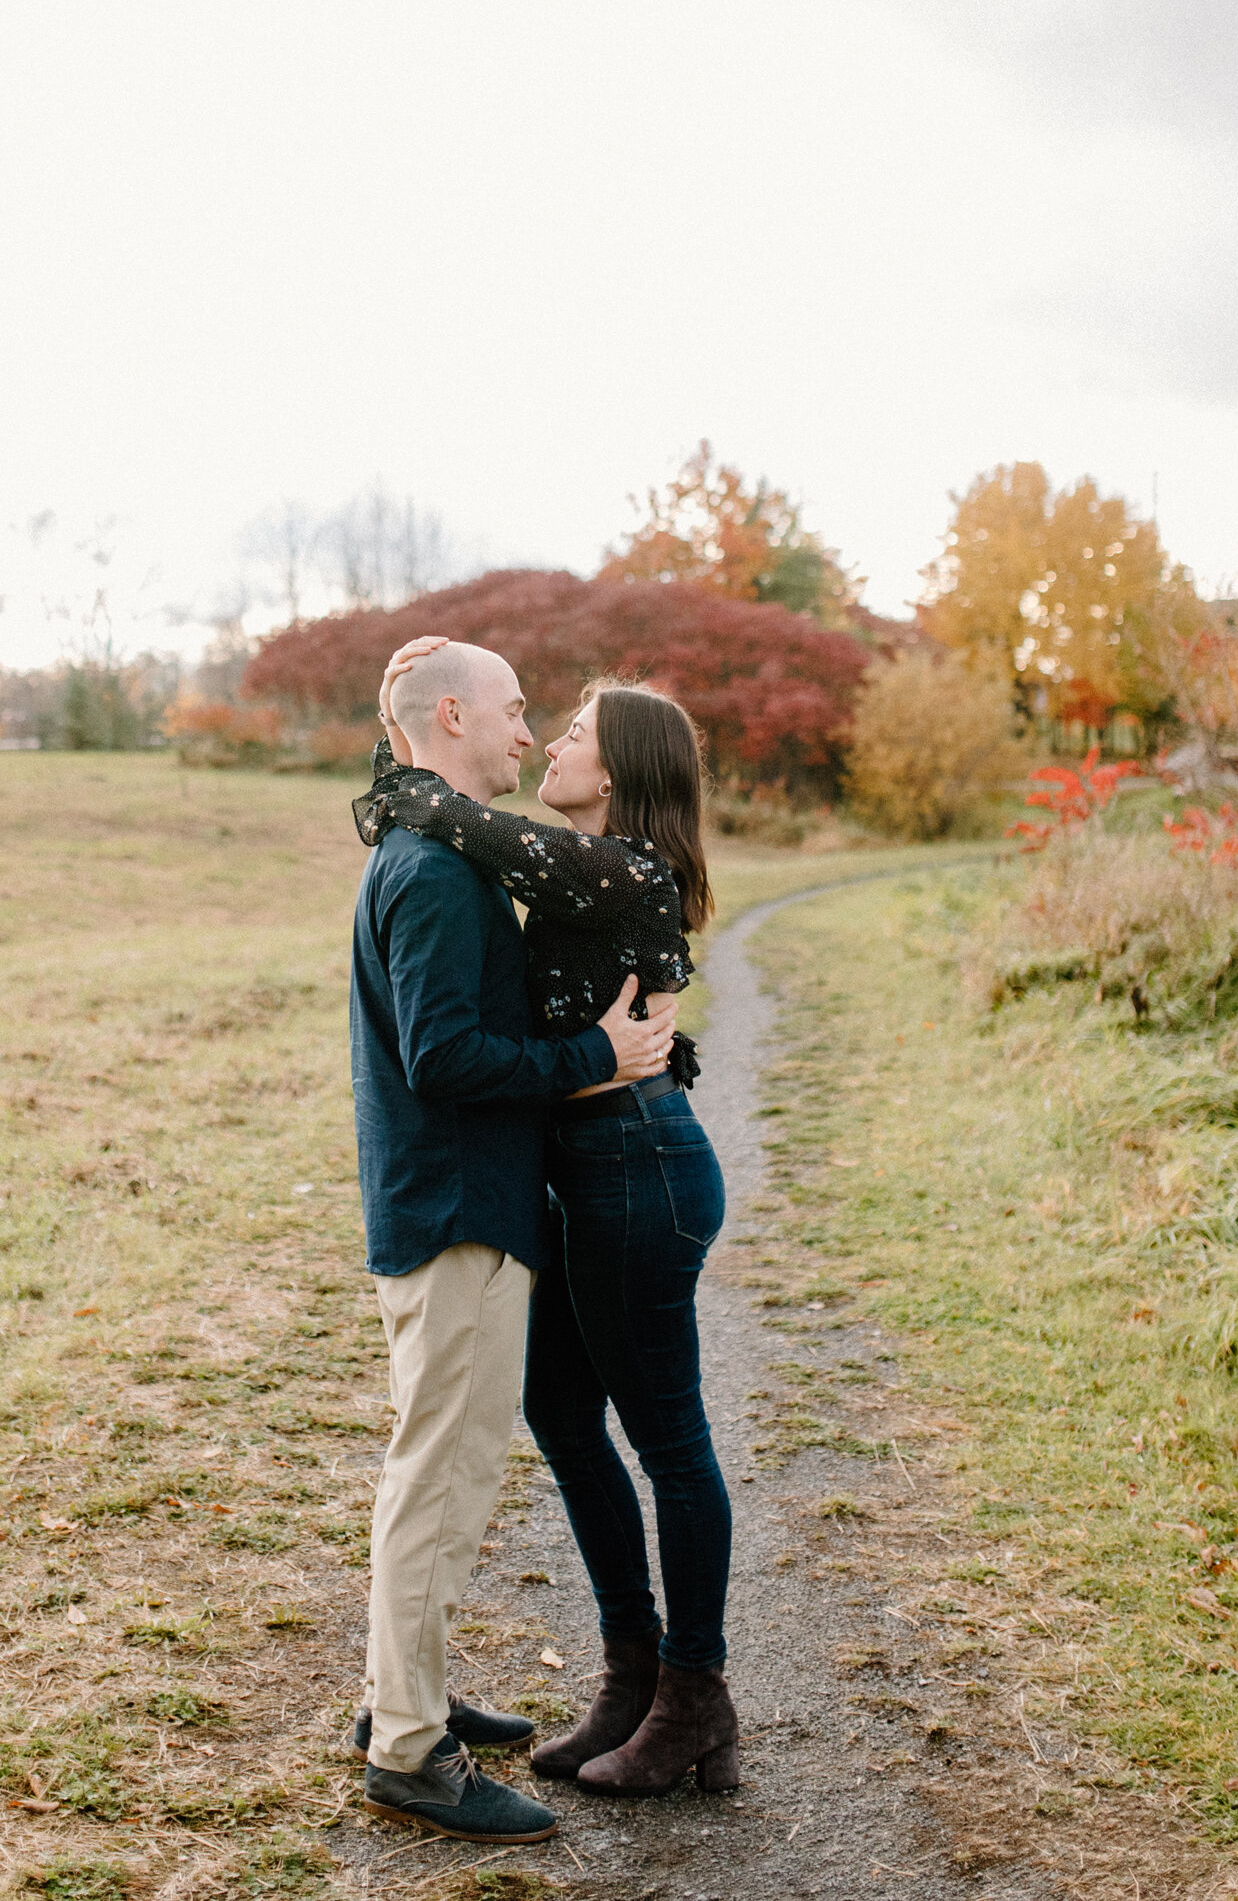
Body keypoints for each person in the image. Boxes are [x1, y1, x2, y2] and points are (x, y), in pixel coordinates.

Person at [357, 637, 738, 1799]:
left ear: (616, 771)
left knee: (665, 1438)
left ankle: (693, 1690)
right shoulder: (523, 864)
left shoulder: (610, 865)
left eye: (565, 730)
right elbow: (512, 1011)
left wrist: (405, 780)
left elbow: (480, 835)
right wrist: (614, 1051)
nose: (543, 740)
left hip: (635, 1168)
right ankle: (626, 1676)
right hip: (570, 1170)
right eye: (529, 719)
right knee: (570, 1429)